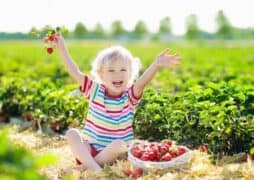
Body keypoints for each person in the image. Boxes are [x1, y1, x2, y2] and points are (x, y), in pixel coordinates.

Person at [54, 33, 180, 172]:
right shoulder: (94, 91)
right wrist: (61, 47)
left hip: (114, 155)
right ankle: (95, 169)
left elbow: (141, 83)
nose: (117, 75)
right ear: (101, 74)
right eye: (111, 70)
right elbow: (74, 71)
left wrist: (156, 64)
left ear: (130, 73)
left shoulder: (129, 97)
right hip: (89, 150)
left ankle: (89, 168)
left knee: (120, 145)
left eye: (123, 70)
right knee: (72, 134)